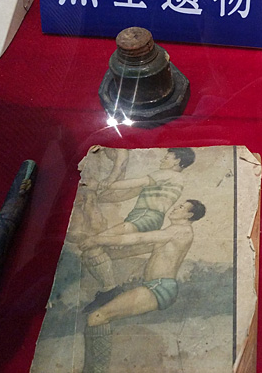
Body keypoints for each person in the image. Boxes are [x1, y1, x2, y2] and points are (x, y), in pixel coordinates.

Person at [79, 199, 206, 373]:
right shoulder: (171, 232)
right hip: (154, 287)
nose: (175, 208)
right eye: (177, 205)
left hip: (159, 288)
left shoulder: (181, 231)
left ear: (189, 215)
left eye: (181, 207)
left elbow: (139, 238)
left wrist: (98, 240)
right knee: (96, 318)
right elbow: (138, 249)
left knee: (97, 317)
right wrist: (103, 254)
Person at [81, 147, 195, 312]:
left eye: (167, 157)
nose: (162, 159)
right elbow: (129, 193)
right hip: (142, 217)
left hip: (146, 216)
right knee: (97, 252)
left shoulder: (170, 174)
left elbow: (135, 183)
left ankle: (110, 290)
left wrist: (99, 184)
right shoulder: (163, 180)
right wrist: (97, 197)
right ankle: (109, 290)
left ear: (177, 161)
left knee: (95, 242)